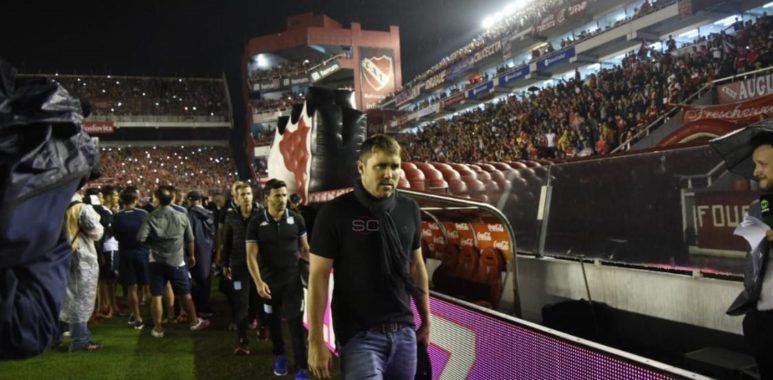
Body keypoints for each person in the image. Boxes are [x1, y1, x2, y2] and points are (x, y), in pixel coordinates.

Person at [307, 134, 431, 379]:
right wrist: (315, 341)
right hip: (359, 336)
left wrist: (426, 320)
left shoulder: (409, 209)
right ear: (361, 167)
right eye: (380, 166)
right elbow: (318, 277)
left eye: (394, 166)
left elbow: (416, 267)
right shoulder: (335, 212)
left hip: (404, 332)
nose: (389, 173)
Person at [246, 179, 310, 379]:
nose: (283, 199)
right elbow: (251, 255)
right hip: (268, 284)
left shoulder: (297, 219)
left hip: (293, 282)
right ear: (267, 198)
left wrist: (315, 271)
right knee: (273, 323)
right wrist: (258, 282)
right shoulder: (256, 222)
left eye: (284, 195)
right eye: (277, 196)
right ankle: (280, 355)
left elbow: (305, 249)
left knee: (296, 325)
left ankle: (302, 367)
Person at [727, 133, 773, 379]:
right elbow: (751, 263)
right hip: (763, 324)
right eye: (755, 164)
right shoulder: (758, 207)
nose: (756, 172)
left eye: (763, 164)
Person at [137, 185, 210, 338]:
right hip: (177, 261)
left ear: (156, 199)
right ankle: (194, 322)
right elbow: (190, 239)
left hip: (155, 261)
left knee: (156, 295)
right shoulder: (182, 216)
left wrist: (154, 243)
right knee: (185, 293)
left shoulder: (151, 216)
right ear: (173, 199)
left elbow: (141, 238)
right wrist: (191, 256)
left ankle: (158, 328)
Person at [223, 183, 267, 354]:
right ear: (236, 198)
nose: (247, 197)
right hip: (239, 264)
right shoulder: (231, 216)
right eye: (242, 194)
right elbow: (226, 241)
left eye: (249, 193)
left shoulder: (262, 213)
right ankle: (242, 340)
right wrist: (225, 263)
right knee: (240, 302)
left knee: (260, 298)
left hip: (260, 265)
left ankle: (263, 326)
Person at [60, 193, 104, 352]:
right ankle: (79, 340)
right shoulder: (82, 209)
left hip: (61, 255)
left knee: (64, 295)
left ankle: (54, 336)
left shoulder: (56, 206)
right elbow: (97, 233)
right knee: (81, 297)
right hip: (82, 257)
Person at [114, 187, 150, 330]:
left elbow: (115, 236)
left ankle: (137, 317)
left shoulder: (117, 216)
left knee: (132, 287)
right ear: (135, 200)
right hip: (142, 253)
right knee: (143, 285)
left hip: (126, 254)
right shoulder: (143, 214)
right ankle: (138, 315)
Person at [186, 191, 216, 318]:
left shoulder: (191, 214)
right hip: (208, 249)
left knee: (196, 280)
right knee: (206, 278)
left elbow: (189, 235)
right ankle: (206, 305)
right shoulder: (210, 213)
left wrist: (190, 253)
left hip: (196, 249)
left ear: (191, 200)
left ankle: (200, 307)